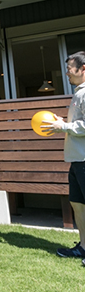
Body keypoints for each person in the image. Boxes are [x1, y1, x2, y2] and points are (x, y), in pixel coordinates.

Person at [43, 51, 85, 260]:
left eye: (69, 69)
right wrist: (63, 122)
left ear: (83, 69)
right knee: (78, 205)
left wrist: (64, 126)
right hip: (76, 160)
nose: (67, 73)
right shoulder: (78, 93)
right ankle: (83, 247)